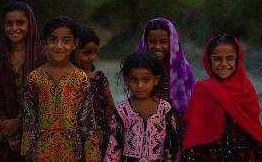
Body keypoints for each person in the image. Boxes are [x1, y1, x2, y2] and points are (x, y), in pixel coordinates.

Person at [21, 16, 101, 162]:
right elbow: (29, 121)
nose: (59, 46)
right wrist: (28, 154)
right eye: (53, 40)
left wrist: (92, 156)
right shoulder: (34, 78)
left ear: (75, 43)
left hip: (72, 152)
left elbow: (87, 123)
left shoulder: (80, 79)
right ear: (43, 42)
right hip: (41, 153)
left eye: (66, 40)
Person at [182, 34, 262, 161]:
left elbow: (253, 125)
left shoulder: (246, 88)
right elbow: (195, 131)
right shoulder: (203, 89)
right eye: (217, 59)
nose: (224, 64)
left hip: (243, 152)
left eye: (230, 58)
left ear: (237, 59)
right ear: (208, 60)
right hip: (211, 154)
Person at [0, 1, 45, 162]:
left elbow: (44, 100)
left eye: (20, 23)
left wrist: (19, 122)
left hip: (37, 136)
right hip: (6, 139)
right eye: (9, 23)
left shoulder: (42, 58)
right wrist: (9, 131)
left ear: (30, 24)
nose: (14, 28)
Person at [104, 52, 179, 161]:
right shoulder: (122, 111)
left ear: (156, 80)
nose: (140, 85)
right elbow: (113, 146)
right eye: (135, 80)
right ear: (127, 80)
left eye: (146, 80)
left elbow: (172, 145)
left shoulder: (164, 109)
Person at [138, 17, 196, 149]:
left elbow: (192, 100)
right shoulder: (139, 68)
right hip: (147, 125)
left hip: (178, 126)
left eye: (164, 42)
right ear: (145, 42)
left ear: (173, 42)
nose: (157, 46)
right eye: (152, 41)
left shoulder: (182, 69)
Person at [72, 25, 114, 155]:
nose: (92, 57)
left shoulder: (99, 78)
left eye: (94, 52)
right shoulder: (66, 79)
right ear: (72, 50)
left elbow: (110, 105)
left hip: (98, 136)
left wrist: (103, 129)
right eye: (86, 53)